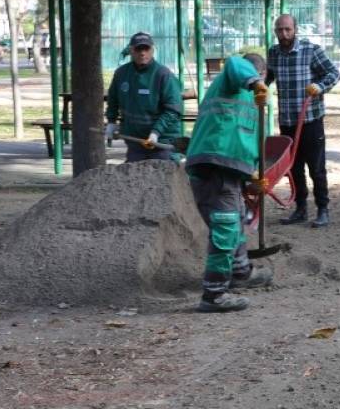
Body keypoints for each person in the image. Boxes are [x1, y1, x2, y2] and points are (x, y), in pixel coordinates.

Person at [184, 53, 275, 312]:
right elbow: (236, 62)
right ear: (260, 73)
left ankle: (240, 272)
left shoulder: (254, 104)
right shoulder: (234, 79)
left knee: (237, 221)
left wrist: (252, 177)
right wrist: (254, 81)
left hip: (229, 169)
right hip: (215, 164)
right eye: (262, 77)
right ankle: (213, 295)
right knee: (226, 228)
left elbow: (248, 143)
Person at [266, 14, 340, 228]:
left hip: (310, 120)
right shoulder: (273, 53)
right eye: (279, 30)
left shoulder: (311, 51)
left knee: (316, 168)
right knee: (293, 167)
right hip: (288, 120)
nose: (284, 34)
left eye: (287, 29)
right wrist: (258, 86)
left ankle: (322, 209)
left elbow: (333, 73)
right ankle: (300, 209)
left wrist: (320, 86)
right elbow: (267, 77)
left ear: (295, 29)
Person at [104, 32, 183, 162]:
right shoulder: (121, 74)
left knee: (161, 171)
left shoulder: (163, 75)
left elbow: (173, 110)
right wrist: (111, 122)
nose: (142, 53)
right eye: (138, 49)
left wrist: (156, 132)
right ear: (131, 50)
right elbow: (113, 100)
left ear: (152, 50)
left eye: (146, 49)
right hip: (135, 142)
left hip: (162, 143)